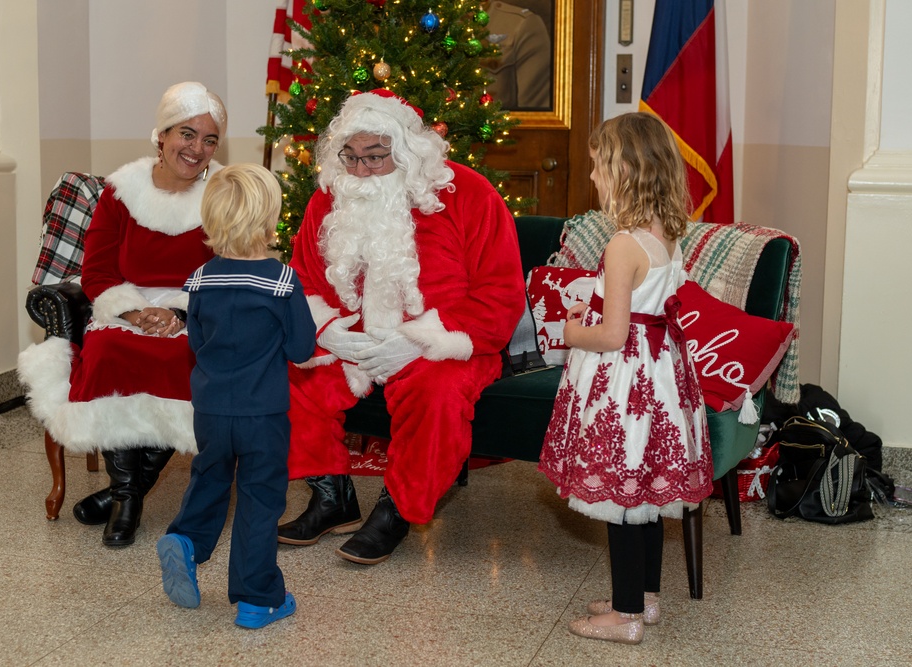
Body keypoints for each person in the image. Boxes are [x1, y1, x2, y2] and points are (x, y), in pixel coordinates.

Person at [277, 89, 525, 565]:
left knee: (437, 392)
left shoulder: (468, 194)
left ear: (408, 152)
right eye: (350, 157)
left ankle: (397, 509)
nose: (359, 171)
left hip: (445, 345)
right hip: (351, 340)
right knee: (289, 372)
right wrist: (326, 330)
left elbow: (501, 294)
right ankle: (332, 498)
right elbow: (303, 278)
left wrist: (420, 342)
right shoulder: (327, 199)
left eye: (375, 157)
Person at [18, 81, 226, 547]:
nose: (197, 149)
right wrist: (133, 312)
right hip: (125, 306)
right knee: (110, 349)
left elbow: (229, 266)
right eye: (186, 135)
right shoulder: (121, 191)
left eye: (209, 139)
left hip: (195, 309)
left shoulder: (222, 193)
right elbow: (95, 271)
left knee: (184, 361)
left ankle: (122, 495)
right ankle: (128, 497)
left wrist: (182, 314)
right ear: (162, 134)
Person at [537, 112, 713, 645]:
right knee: (648, 496)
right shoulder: (667, 235)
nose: (592, 177)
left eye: (598, 167)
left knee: (621, 498)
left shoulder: (621, 245)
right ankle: (644, 596)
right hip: (660, 378)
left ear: (627, 172)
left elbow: (612, 334)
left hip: (625, 384)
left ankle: (625, 616)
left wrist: (567, 329)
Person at [156, 163, 315, 629]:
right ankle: (257, 597)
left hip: (209, 409)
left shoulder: (201, 278)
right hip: (262, 412)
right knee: (260, 498)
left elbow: (195, 339)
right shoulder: (281, 281)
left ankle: (185, 539)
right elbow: (301, 348)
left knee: (209, 477)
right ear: (269, 221)